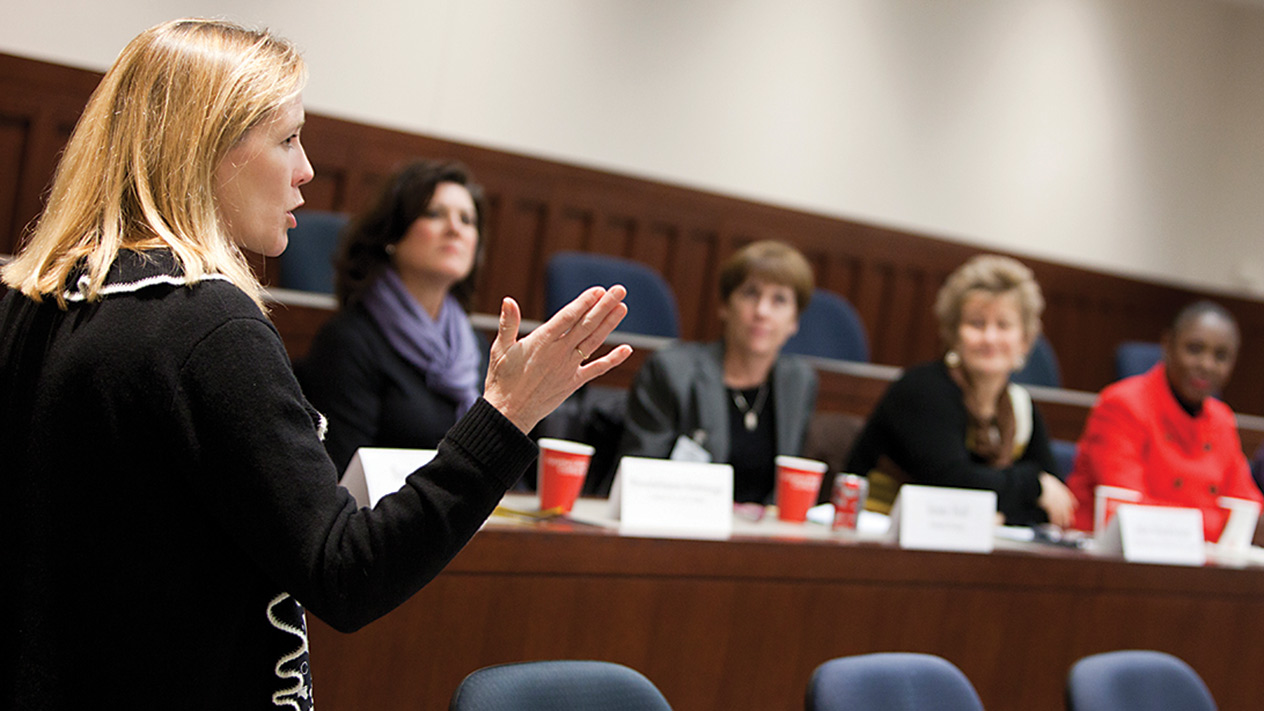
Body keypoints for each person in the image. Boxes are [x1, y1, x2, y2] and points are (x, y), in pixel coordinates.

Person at [0, 18, 631, 708]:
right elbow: (347, 570)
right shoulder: (209, 324)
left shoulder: (28, 300)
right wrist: (506, 416)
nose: (306, 170)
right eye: (288, 139)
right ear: (208, 146)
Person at [845, 254, 1075, 526]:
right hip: (874, 534)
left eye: (1003, 325)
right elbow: (951, 482)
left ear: (1025, 340)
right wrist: (1033, 485)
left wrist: (1004, 514)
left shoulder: (1021, 406)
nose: (990, 338)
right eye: (977, 324)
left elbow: (1056, 504)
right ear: (954, 334)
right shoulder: (923, 389)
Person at [296, 160, 487, 473]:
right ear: (392, 234)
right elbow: (342, 475)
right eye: (434, 214)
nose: (455, 229)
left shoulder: (475, 346)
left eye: (467, 220)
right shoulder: (348, 341)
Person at [617, 240, 818, 503]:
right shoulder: (672, 372)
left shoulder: (799, 382)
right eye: (751, 294)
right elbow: (639, 476)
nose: (762, 311)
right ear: (725, 306)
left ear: (794, 321)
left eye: (779, 299)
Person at [1066, 301, 1263, 541]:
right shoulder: (1123, 405)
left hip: (1198, 557)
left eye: (1220, 356)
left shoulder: (1222, 419)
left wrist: (1239, 523)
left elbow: (1249, 509)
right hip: (1108, 556)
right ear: (1167, 344)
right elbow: (1129, 514)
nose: (1206, 364)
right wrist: (1222, 524)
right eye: (1194, 349)